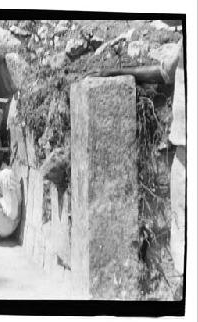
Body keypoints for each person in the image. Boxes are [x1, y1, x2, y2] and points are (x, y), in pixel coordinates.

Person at [89, 28, 185, 275]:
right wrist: (118, 71)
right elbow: (165, 72)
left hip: (185, 153)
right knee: (181, 226)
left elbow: (164, 73)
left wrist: (117, 71)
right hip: (184, 151)